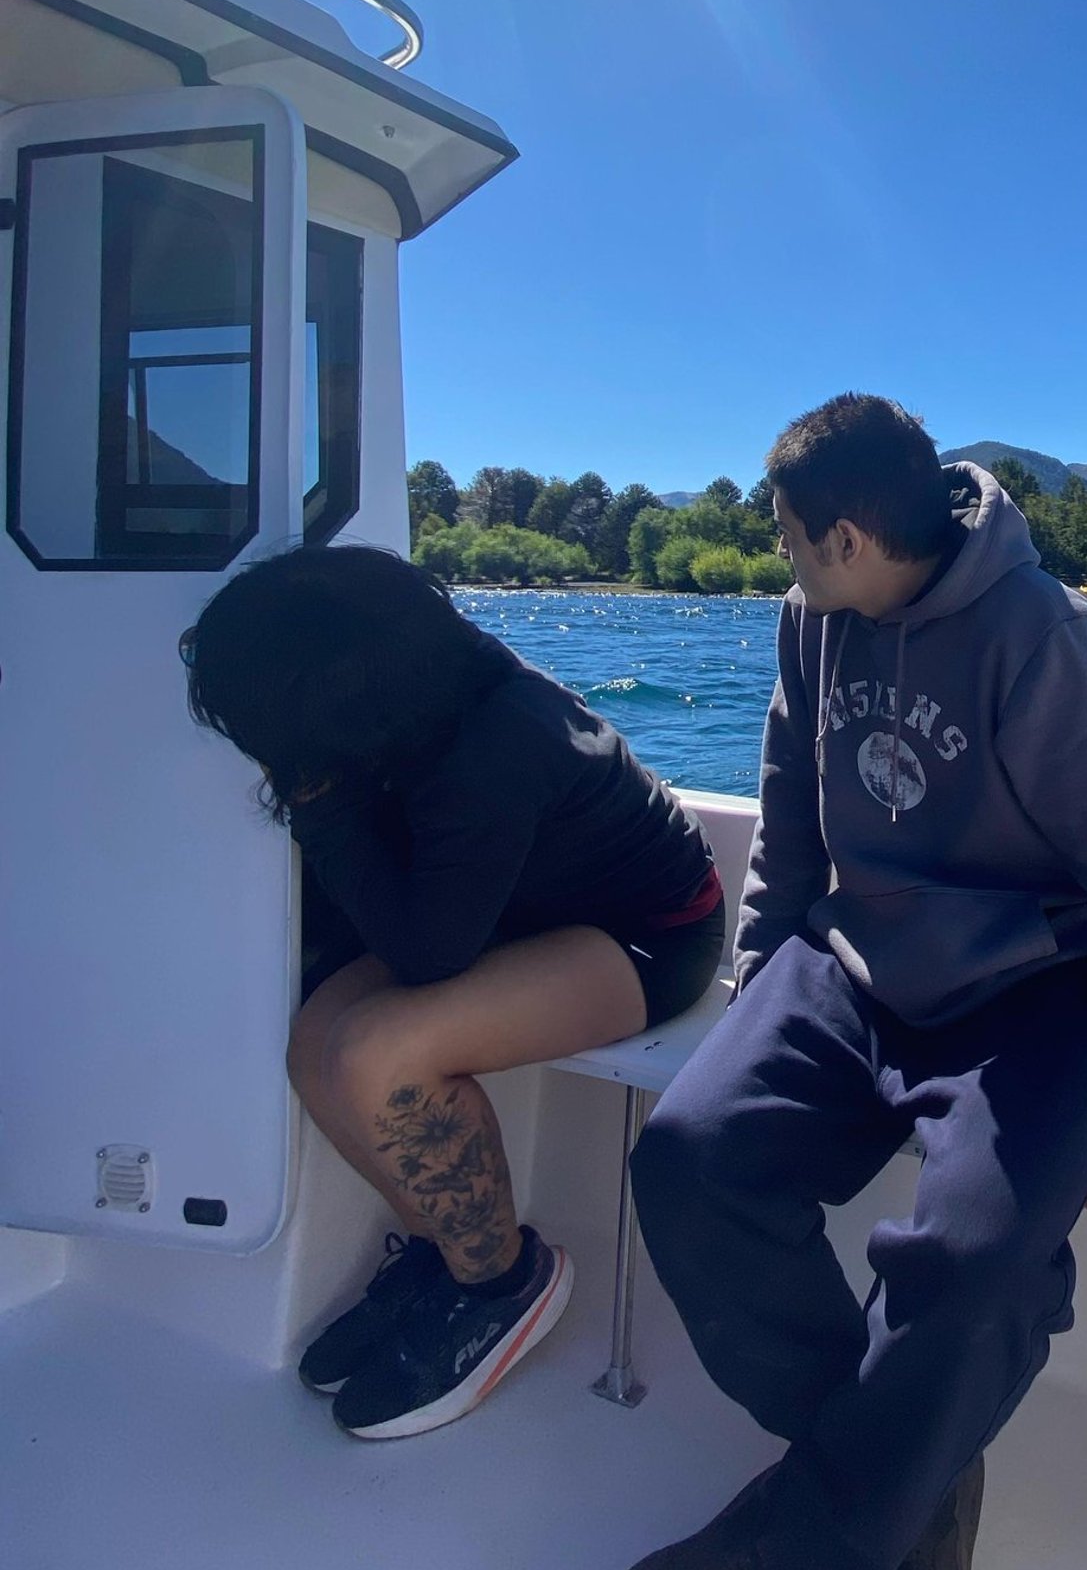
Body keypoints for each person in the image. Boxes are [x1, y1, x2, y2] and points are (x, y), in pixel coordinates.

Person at [571, 396, 1087, 1570]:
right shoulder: (816, 622)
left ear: (852, 537)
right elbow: (790, 816)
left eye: (794, 540)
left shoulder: (1045, 639)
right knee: (688, 1162)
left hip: (1043, 990)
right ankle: (913, 1484)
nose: (782, 561)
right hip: (859, 965)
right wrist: (756, 996)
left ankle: (795, 1554)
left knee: (976, 1263)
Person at [184, 545, 722, 1441]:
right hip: (520, 906)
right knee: (317, 1041)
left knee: (378, 1057)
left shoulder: (495, 746)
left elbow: (428, 952)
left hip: (649, 934)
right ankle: (444, 1257)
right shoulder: (427, 688)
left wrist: (317, 798)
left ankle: (503, 1284)